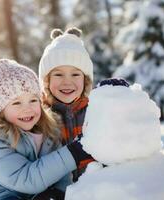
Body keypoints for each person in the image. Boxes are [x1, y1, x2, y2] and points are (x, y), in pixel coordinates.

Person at [0, 59, 91, 200]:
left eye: (33, 100)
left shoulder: (48, 130)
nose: (27, 109)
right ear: (1, 110)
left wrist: (59, 193)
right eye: (16, 103)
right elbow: (25, 178)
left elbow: (61, 175)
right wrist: (72, 153)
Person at [39, 27, 129, 181]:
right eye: (58, 74)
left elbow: (122, 137)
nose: (67, 81)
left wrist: (117, 98)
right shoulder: (39, 117)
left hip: (95, 189)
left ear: (85, 80)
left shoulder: (95, 110)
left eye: (75, 74)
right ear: (47, 81)